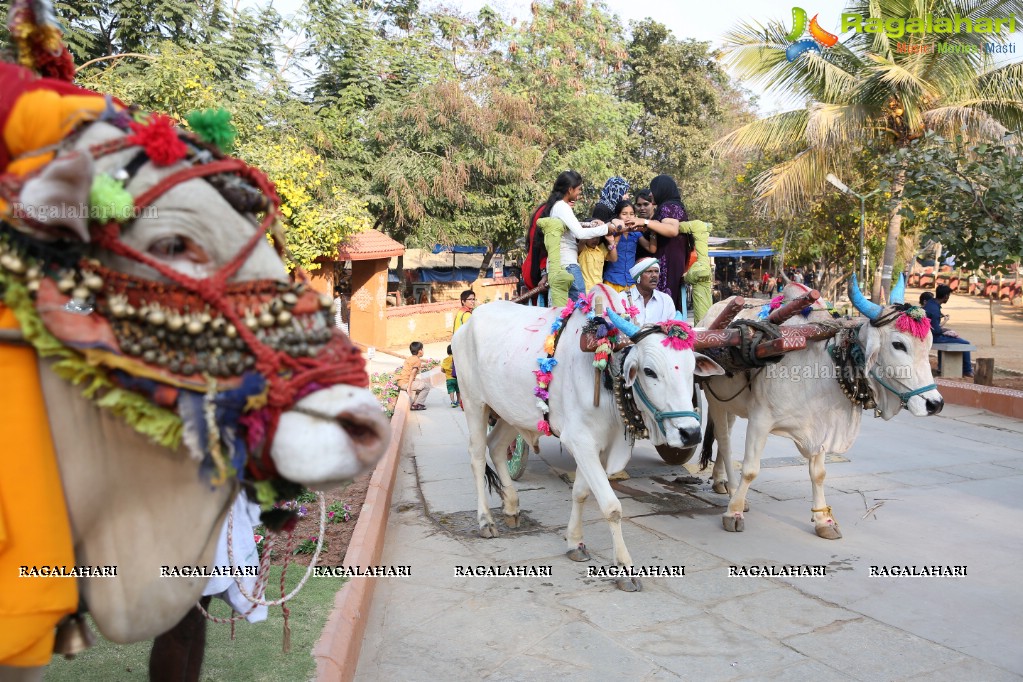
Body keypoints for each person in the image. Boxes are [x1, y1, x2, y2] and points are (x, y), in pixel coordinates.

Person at [537, 170, 609, 306]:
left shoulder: (556, 207)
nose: (579, 193)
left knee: (566, 308)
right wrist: (607, 228)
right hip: (568, 264)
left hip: (562, 264)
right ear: (570, 189)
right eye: (579, 189)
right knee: (582, 305)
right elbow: (580, 233)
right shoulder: (562, 207)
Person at [633, 175, 690, 311]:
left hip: (668, 260)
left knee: (663, 301)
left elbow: (672, 230)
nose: (651, 194)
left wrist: (645, 222)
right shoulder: (671, 206)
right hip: (673, 258)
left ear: (662, 190)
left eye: (653, 189)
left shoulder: (668, 207)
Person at [923, 284, 973, 378]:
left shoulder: (931, 303)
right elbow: (935, 330)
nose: (948, 298)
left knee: (950, 336)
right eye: (948, 296)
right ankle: (967, 370)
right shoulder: (934, 309)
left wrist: (945, 330)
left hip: (927, 334)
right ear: (946, 296)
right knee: (966, 343)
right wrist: (946, 331)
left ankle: (941, 368)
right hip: (932, 337)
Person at [602, 200, 652, 292]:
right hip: (613, 279)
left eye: (631, 214)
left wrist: (653, 231)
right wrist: (619, 231)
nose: (628, 217)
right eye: (624, 214)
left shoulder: (636, 233)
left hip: (630, 280)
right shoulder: (612, 233)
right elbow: (612, 254)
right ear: (618, 216)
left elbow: (651, 248)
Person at [620, 257, 676, 325]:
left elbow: (673, 328)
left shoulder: (666, 300)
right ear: (638, 277)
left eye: (656, 271)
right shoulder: (622, 298)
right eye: (649, 271)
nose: (654, 275)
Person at [398, 341, 431, 410]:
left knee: (420, 382)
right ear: (420, 351)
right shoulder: (417, 360)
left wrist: (424, 366)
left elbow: (411, 368)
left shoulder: (410, 358)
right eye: (422, 349)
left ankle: (415, 402)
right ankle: (417, 404)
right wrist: (409, 388)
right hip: (406, 383)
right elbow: (412, 373)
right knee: (426, 386)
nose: (423, 350)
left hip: (401, 381)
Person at [632, 189, 657, 260]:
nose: (642, 208)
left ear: (654, 204)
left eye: (646, 204)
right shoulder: (634, 223)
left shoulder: (659, 222)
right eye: (639, 205)